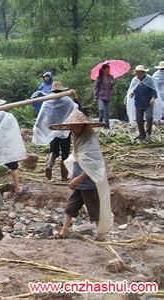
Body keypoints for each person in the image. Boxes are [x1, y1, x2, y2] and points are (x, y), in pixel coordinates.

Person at [51, 110, 113, 241]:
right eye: (71, 126)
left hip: (89, 181)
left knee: (94, 209)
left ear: (83, 125)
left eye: (75, 125)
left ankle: (101, 236)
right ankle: (64, 232)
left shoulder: (90, 140)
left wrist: (78, 179)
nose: (72, 129)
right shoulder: (78, 138)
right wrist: (74, 177)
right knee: (70, 207)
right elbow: (78, 158)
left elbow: (94, 165)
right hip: (79, 181)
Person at [33, 82, 78, 181]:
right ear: (62, 90)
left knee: (53, 149)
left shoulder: (47, 101)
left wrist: (37, 127)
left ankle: (49, 165)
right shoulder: (67, 101)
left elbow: (40, 118)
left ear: (52, 91)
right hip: (65, 130)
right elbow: (77, 108)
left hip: (53, 130)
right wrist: (75, 97)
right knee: (65, 151)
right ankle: (64, 175)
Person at [126, 65, 162, 140]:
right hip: (138, 102)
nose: (137, 75)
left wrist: (153, 98)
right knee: (139, 120)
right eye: (136, 73)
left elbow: (154, 90)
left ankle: (148, 133)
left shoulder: (149, 79)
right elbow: (133, 89)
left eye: (139, 73)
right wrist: (132, 93)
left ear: (143, 73)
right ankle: (142, 134)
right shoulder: (135, 80)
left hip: (148, 102)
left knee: (149, 118)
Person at [94, 64, 114, 129]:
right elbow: (96, 88)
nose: (109, 71)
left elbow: (111, 87)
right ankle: (100, 121)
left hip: (108, 96)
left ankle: (106, 125)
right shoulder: (99, 78)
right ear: (104, 70)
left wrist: (113, 88)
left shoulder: (111, 77)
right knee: (101, 109)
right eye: (107, 69)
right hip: (101, 96)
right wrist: (96, 97)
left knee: (107, 111)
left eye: (109, 69)